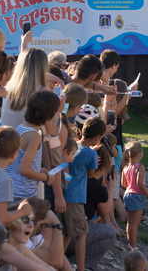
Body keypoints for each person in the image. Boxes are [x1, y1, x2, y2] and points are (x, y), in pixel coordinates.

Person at [62, 116, 103, 271]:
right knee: (81, 234)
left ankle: (57, 261)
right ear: (98, 137)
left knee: (68, 232)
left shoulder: (73, 145)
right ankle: (80, 268)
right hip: (76, 197)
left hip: (64, 194)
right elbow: (91, 175)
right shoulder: (91, 155)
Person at [5, 90, 60, 201]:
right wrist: (46, 177)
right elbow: (23, 170)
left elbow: (21, 160)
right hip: (21, 193)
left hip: (12, 189)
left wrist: (38, 169)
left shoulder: (22, 127)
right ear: (48, 117)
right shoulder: (34, 136)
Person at [122, 141, 148, 252]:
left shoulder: (126, 167)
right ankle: (134, 246)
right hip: (137, 196)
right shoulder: (140, 167)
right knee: (135, 224)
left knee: (129, 222)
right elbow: (140, 183)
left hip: (127, 195)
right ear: (140, 154)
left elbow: (123, 184)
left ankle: (130, 244)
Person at [1, 48, 49, 129]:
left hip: (8, 138)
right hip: (29, 140)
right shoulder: (42, 92)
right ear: (43, 66)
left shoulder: (8, 88)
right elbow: (49, 130)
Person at [0, 206, 53, 271]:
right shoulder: (3, 247)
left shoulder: (20, 247)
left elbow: (48, 267)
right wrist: (57, 225)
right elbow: (38, 269)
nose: (31, 225)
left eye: (33, 220)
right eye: (25, 220)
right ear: (12, 223)